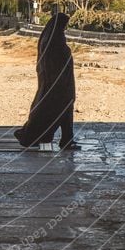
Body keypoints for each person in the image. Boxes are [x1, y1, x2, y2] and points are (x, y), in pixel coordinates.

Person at [14, 11, 80, 150]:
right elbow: (59, 60)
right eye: (64, 25)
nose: (65, 28)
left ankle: (65, 139)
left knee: (59, 111)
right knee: (60, 111)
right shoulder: (56, 39)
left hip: (54, 84)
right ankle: (61, 139)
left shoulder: (49, 37)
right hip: (60, 86)